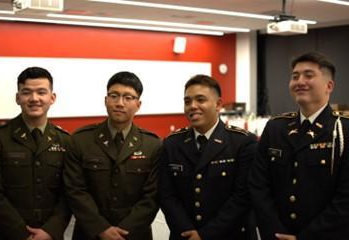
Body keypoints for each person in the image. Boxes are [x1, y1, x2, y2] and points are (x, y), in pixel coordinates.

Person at [250, 52, 349, 240]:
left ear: (329, 86)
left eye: (308, 75)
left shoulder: (343, 130)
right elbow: (258, 185)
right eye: (295, 76)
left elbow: (345, 200)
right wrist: (275, 232)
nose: (299, 81)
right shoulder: (275, 128)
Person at [64, 71, 162, 240]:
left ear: (138, 104)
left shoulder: (153, 144)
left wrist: (125, 230)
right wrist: (101, 229)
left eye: (128, 97)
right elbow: (75, 190)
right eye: (114, 96)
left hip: (134, 235)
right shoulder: (81, 140)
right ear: (105, 100)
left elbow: (152, 196)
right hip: (90, 233)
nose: (120, 103)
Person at [158, 74, 257, 240]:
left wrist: (205, 235)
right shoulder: (172, 143)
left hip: (229, 235)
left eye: (200, 100)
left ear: (218, 104)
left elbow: (242, 197)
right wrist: (188, 231)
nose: (192, 106)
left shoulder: (242, 142)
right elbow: (166, 195)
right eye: (187, 101)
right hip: (184, 235)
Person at [0, 67, 71, 240]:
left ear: (52, 98)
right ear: (18, 98)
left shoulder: (65, 141)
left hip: (50, 235)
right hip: (6, 233)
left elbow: (69, 192)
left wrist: (51, 231)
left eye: (41, 92)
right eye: (26, 92)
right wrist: (22, 233)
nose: (34, 99)